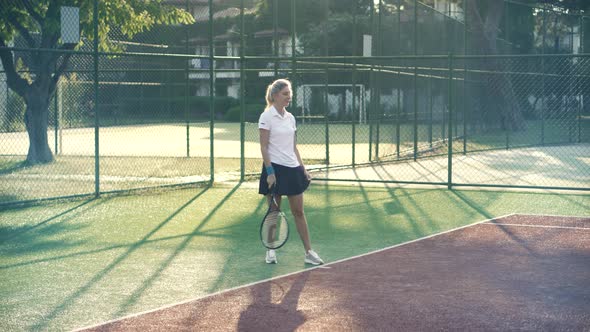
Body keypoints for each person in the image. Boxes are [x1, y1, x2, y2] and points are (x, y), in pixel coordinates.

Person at [258, 78, 324, 266]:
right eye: (285, 94)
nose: (289, 97)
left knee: (299, 212)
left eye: (290, 94)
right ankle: (271, 250)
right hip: (275, 168)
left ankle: (309, 252)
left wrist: (303, 168)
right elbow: (263, 147)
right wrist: (270, 172)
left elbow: (293, 147)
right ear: (275, 95)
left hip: (292, 168)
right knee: (274, 212)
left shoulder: (291, 118)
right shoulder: (266, 117)